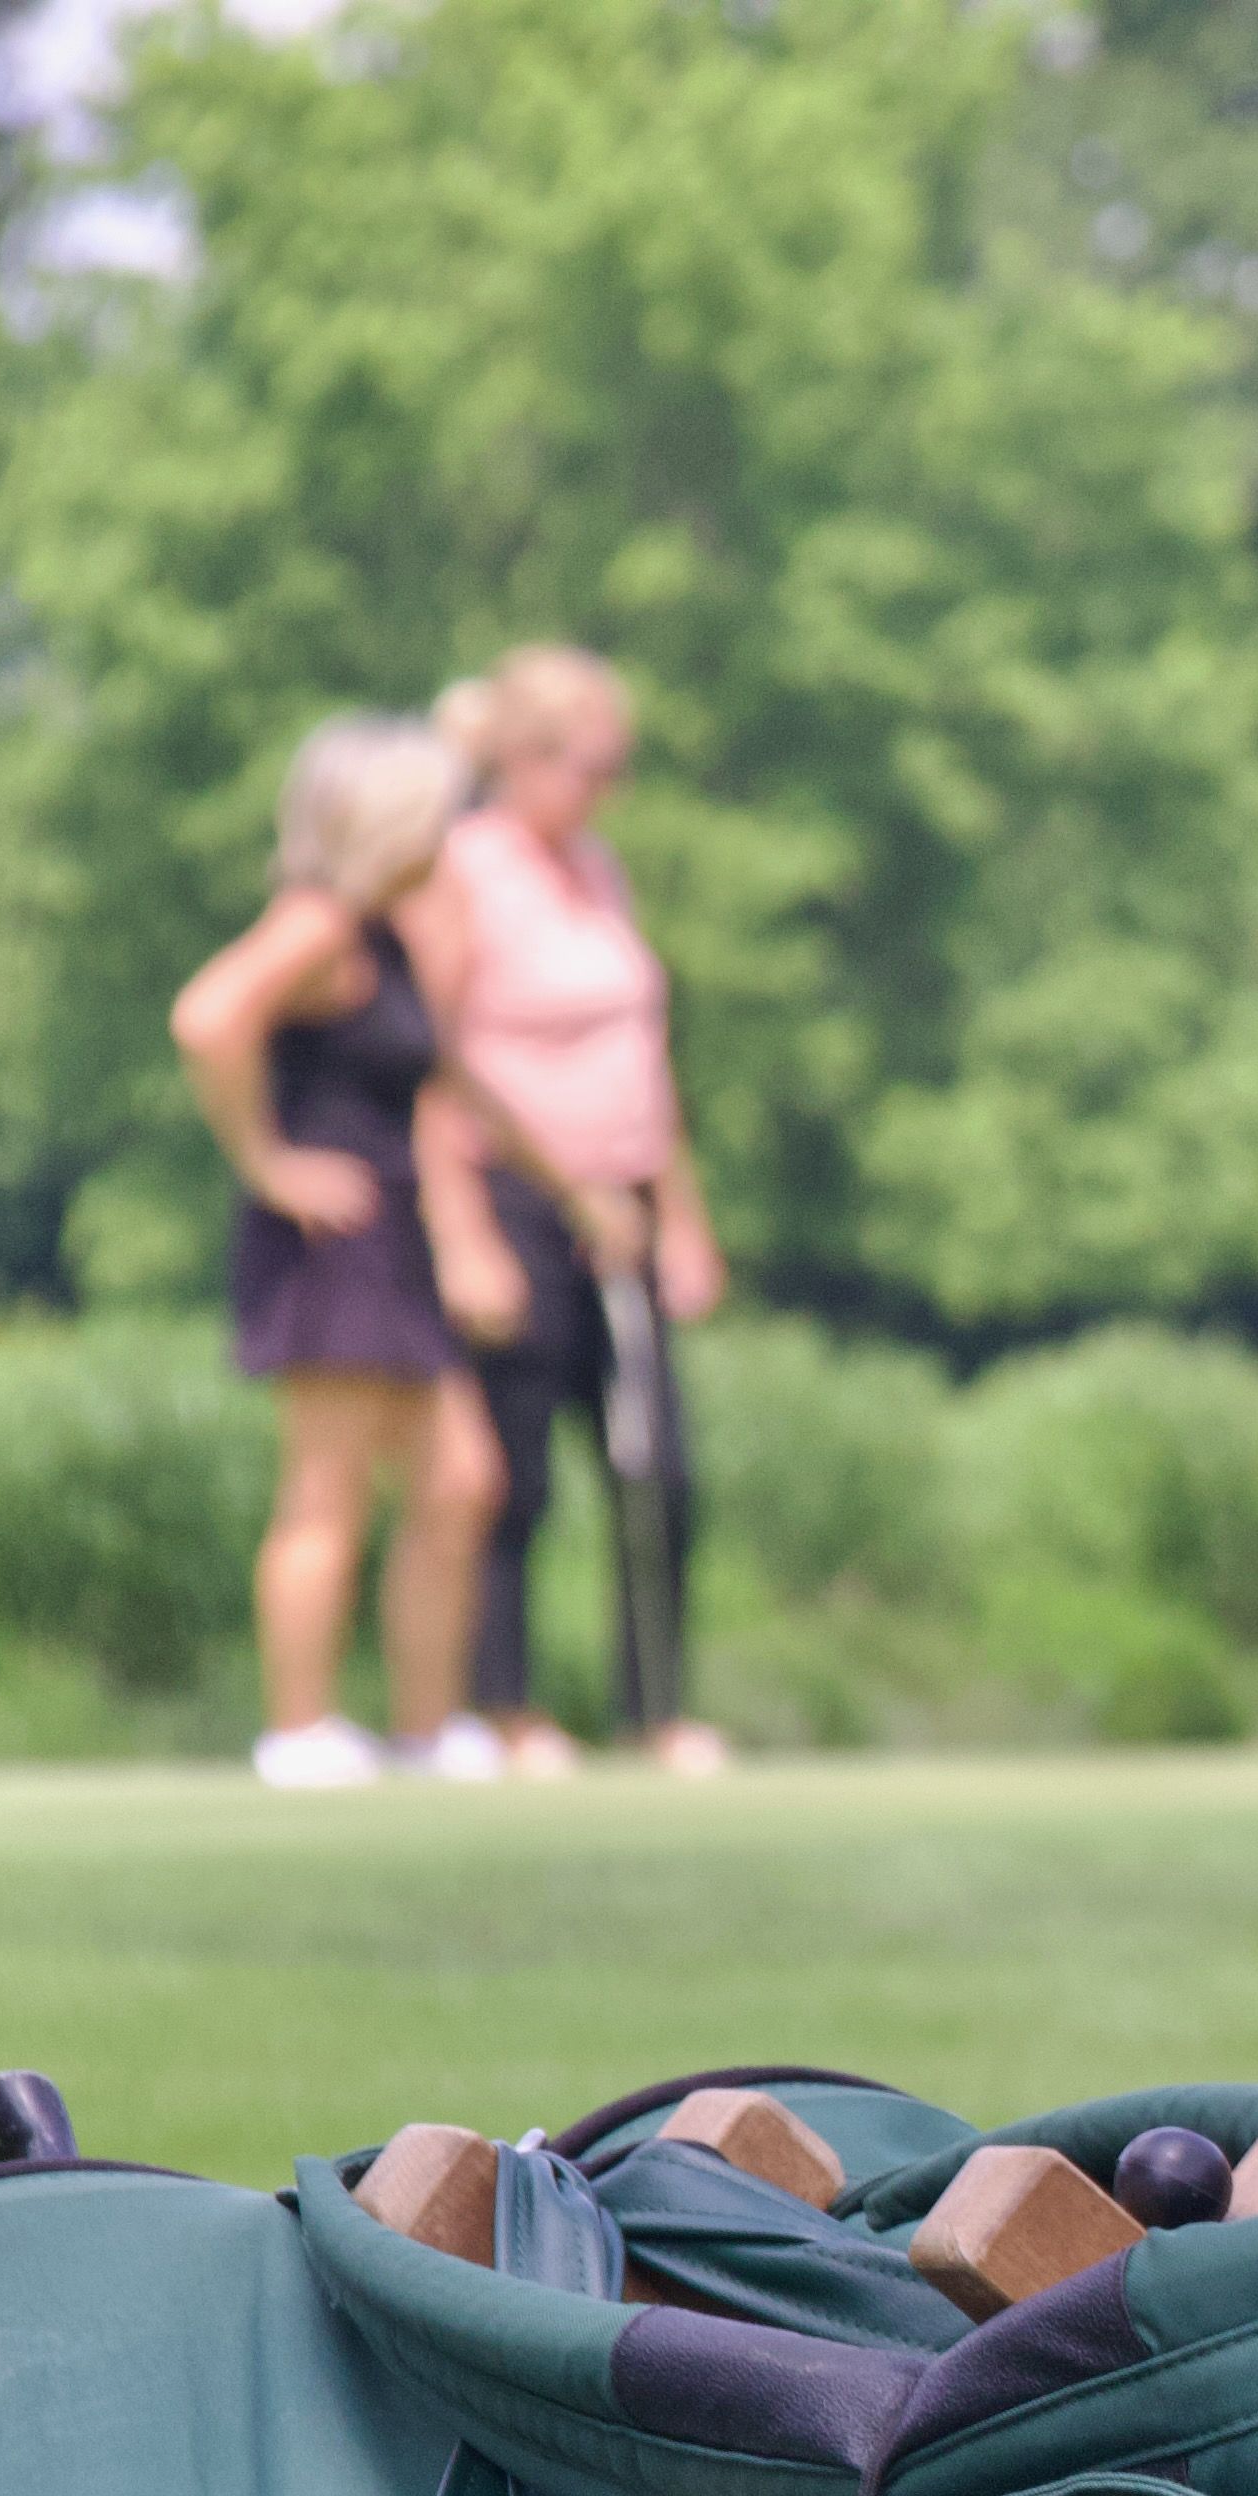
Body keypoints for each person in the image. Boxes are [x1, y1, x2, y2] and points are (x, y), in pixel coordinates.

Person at [170, 714, 525, 1788]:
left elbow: (449, 1074)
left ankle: (426, 1727)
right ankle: (300, 1729)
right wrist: (266, 1160)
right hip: (331, 1244)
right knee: (324, 1493)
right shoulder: (318, 923)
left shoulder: (385, 932)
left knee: (461, 1481)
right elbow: (208, 1017)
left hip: (398, 1238)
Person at [414, 644, 733, 1776]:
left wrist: (682, 1215)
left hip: (626, 1199)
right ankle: (506, 1710)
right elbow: (434, 1062)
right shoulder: (463, 869)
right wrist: (459, 1231)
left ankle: (658, 1707)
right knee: (514, 1471)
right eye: (599, 764)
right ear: (527, 759)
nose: (612, 787)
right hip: (516, 1197)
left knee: (659, 1467)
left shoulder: (598, 869)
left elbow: (643, 1058)